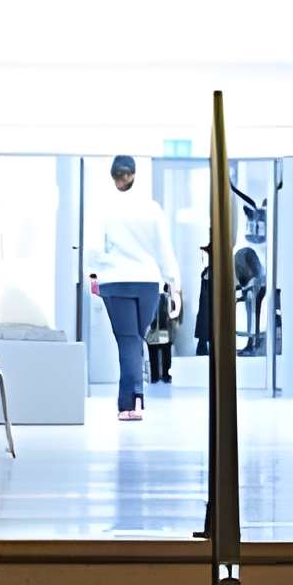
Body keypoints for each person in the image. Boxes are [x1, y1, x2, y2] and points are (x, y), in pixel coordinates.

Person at [82, 154, 177, 422]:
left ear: (113, 177)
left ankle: (131, 402)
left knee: (128, 340)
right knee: (135, 339)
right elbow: (164, 250)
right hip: (148, 282)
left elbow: (93, 251)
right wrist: (174, 283)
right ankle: (136, 398)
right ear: (134, 174)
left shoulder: (103, 208)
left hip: (115, 281)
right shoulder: (152, 209)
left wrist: (96, 273)